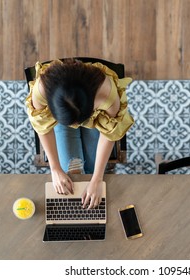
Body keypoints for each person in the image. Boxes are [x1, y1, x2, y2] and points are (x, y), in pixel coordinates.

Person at [25, 59, 134, 209]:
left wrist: (97, 179)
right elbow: (43, 127)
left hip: (96, 120)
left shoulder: (107, 95)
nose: (75, 127)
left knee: (90, 170)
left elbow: (108, 134)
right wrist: (55, 168)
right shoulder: (42, 89)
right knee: (72, 174)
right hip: (61, 120)